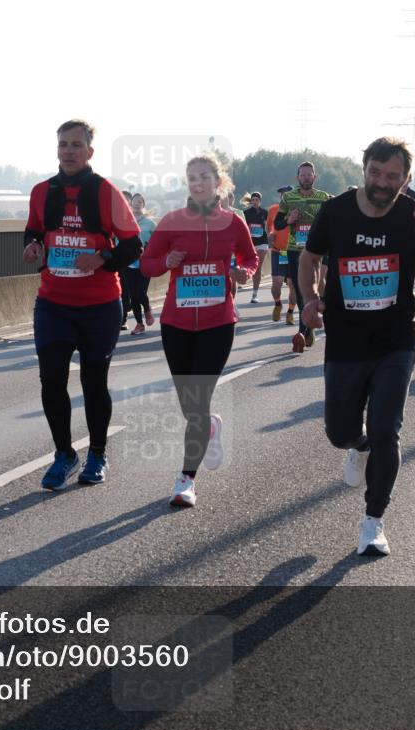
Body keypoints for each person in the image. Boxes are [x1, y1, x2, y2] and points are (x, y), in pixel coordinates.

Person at [300, 136, 415, 556]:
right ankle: (359, 445)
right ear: (363, 169)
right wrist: (310, 298)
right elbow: (308, 258)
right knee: (339, 433)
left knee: (387, 428)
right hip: (346, 342)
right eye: (375, 172)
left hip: (395, 342)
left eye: (392, 176)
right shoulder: (335, 211)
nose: (382, 183)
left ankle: (373, 522)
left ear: (405, 180)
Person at [23, 119, 142, 489]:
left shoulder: (105, 192)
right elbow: (33, 231)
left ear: (89, 151)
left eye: (76, 145)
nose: (69, 151)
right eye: (63, 145)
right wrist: (32, 247)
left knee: (93, 382)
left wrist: (102, 259)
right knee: (51, 380)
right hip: (53, 303)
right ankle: (64, 454)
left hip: (99, 306)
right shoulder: (42, 192)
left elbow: (133, 246)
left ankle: (97, 453)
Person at [141, 153, 258, 508]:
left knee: (197, 399)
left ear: (218, 182)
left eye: (204, 177)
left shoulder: (233, 222)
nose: (198, 183)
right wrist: (166, 262)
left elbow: (250, 259)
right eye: (192, 178)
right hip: (176, 322)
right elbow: (146, 263)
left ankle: (186, 479)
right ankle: (208, 425)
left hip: (218, 322)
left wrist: (244, 273)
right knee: (189, 403)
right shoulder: (173, 221)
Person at [273, 162, 331, 353]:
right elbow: (278, 224)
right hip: (294, 249)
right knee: (298, 291)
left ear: (315, 177)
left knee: (313, 288)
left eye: (309, 175)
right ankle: (306, 329)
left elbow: (332, 221)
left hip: (315, 251)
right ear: (297, 178)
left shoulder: (323, 197)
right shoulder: (289, 198)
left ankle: (303, 331)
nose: (306, 178)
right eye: (303, 175)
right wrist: (289, 220)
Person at [122, 193, 157, 335]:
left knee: (140, 293)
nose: (137, 203)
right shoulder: (125, 221)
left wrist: (151, 251)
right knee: (133, 296)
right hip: (129, 264)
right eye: (135, 201)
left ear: (143, 204)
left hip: (145, 263)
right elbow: (119, 241)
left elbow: (157, 242)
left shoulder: (150, 223)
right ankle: (139, 324)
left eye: (140, 201)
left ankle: (147, 309)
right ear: (131, 204)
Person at [267, 190, 296, 322]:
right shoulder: (273, 209)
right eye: (282, 194)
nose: (284, 196)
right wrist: (270, 237)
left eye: (287, 194)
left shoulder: (297, 210)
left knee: (292, 284)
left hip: (293, 252)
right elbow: (269, 227)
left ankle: (290, 312)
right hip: (278, 251)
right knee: (276, 284)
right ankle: (278, 304)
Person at [242, 192, 270, 303]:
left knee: (258, 267)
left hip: (262, 242)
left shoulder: (265, 212)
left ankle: (255, 294)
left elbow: (269, 226)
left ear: (260, 201)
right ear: (251, 201)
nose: (254, 202)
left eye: (256, 200)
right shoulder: (246, 213)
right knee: (250, 266)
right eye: (253, 200)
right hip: (251, 242)